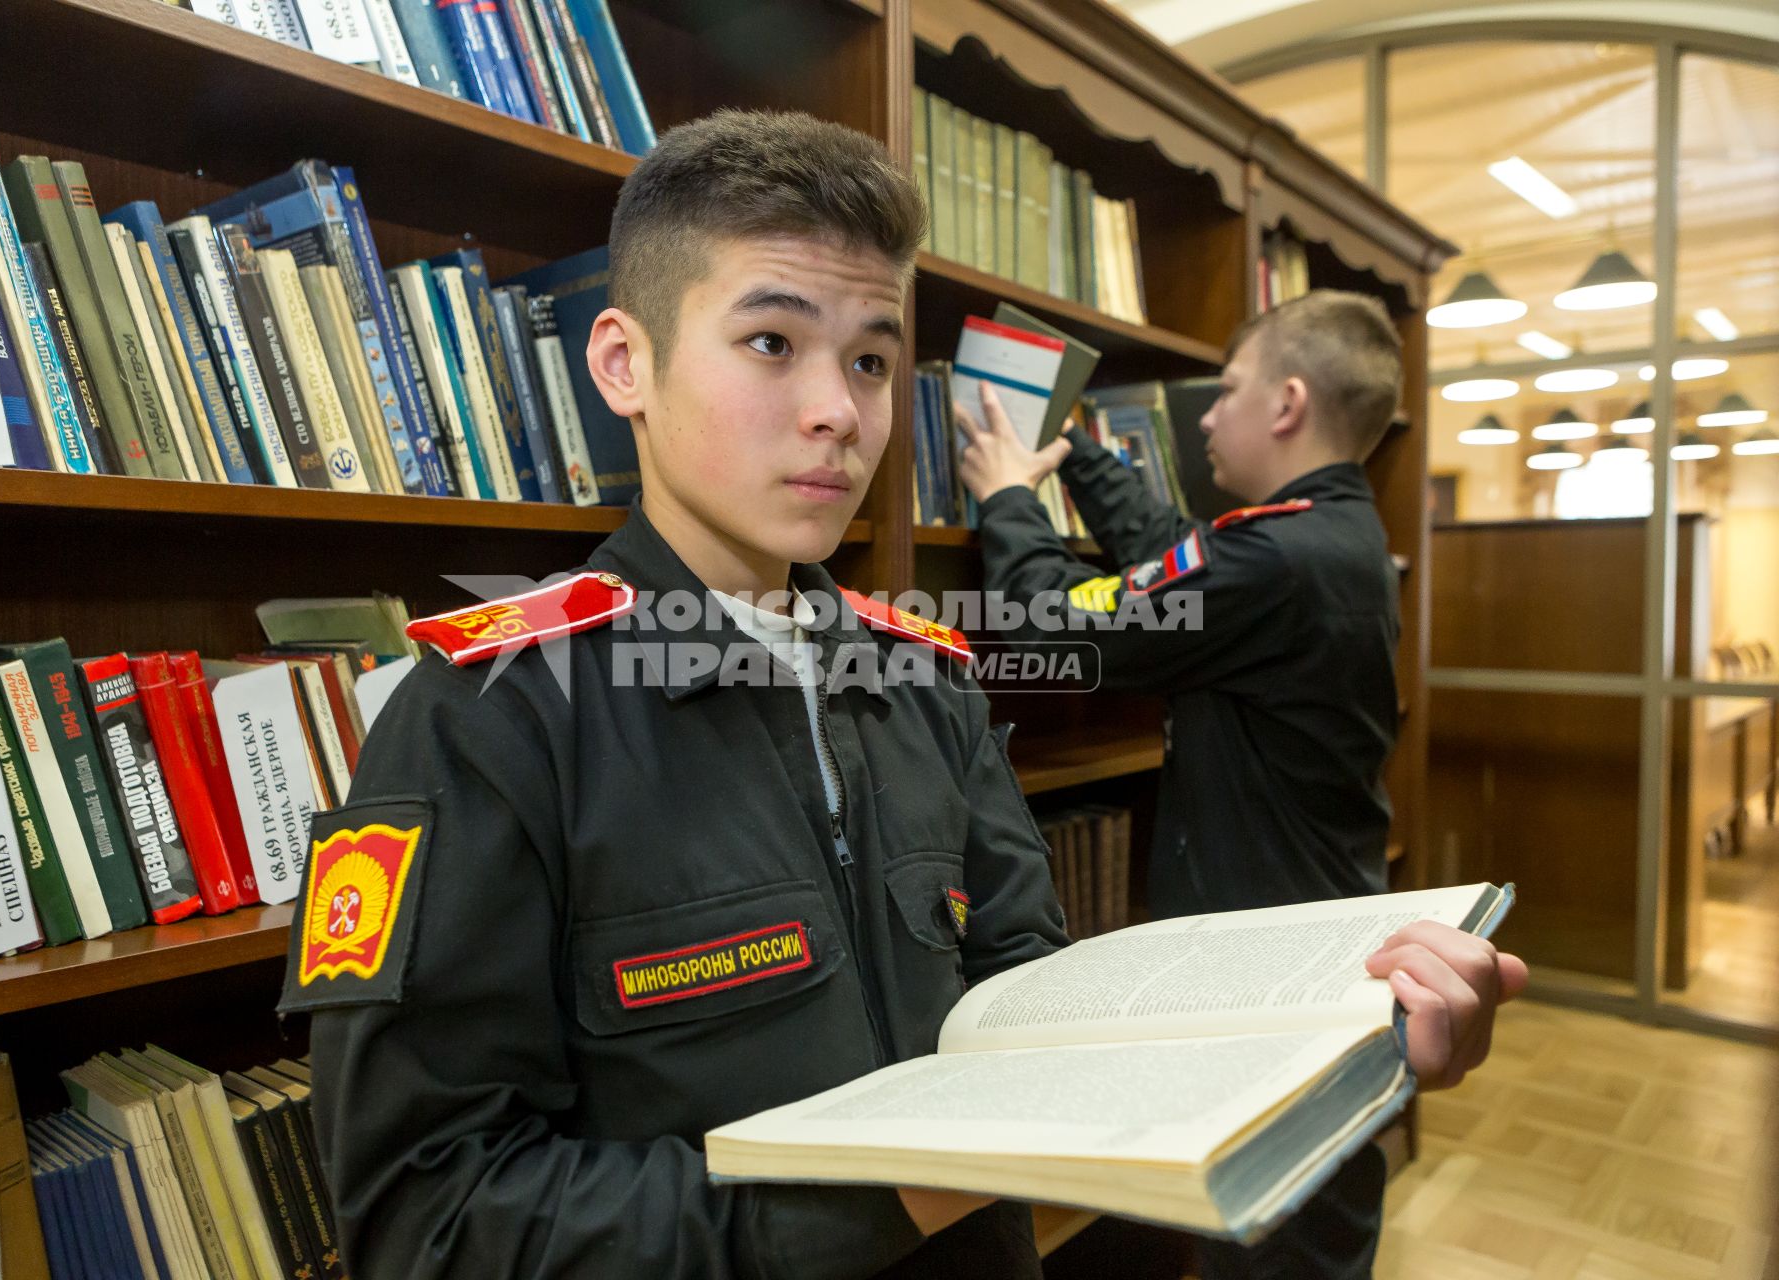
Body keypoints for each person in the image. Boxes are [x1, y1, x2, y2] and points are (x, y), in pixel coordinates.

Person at [279, 115, 1524, 1280]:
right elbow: (426, 1218)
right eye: (772, 342)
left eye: (872, 358)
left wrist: (1353, 1055)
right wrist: (874, 1195)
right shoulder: (483, 718)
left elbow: (1041, 1016)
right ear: (626, 363)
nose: (839, 411)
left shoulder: (921, 675)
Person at [958, 289, 1504, 1279]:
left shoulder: (1277, 557)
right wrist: (1076, 452)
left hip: (1278, 984)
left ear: (1287, 402)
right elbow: (1177, 558)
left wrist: (1004, 495)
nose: (1206, 414)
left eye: (1230, 390)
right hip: (1317, 945)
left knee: (1281, 1246)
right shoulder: (1325, 536)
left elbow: (1056, 626)